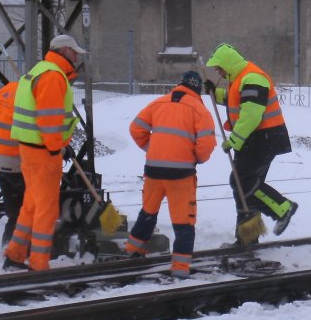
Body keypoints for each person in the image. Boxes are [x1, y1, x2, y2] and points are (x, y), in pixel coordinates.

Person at [3, 34, 85, 271]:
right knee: (46, 210)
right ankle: (39, 264)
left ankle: (15, 255)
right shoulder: (53, 76)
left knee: (31, 205)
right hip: (43, 153)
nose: (77, 56)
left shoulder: (38, 71)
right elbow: (49, 119)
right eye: (75, 52)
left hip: (28, 151)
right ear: (66, 52)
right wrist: (54, 148)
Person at [125, 71, 216, 278]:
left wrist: (151, 148)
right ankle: (180, 268)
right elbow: (207, 143)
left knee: (148, 213)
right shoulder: (199, 110)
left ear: (179, 85)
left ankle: (133, 252)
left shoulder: (158, 103)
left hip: (153, 172)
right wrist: (195, 158)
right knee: (184, 221)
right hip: (181, 174)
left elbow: (135, 128)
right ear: (197, 89)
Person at [204, 43, 297, 244]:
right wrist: (215, 92)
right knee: (244, 186)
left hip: (264, 138)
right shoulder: (240, 80)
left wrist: (235, 140)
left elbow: (252, 114)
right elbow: (235, 100)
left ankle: (283, 208)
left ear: (228, 64)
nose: (218, 72)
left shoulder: (253, 77)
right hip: (254, 139)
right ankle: (248, 237)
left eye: (219, 68)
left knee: (242, 181)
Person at [0, 79, 25, 246]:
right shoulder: (31, 97)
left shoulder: (8, 89)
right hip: (16, 163)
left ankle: (8, 244)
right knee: (29, 208)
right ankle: (19, 249)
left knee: (14, 209)